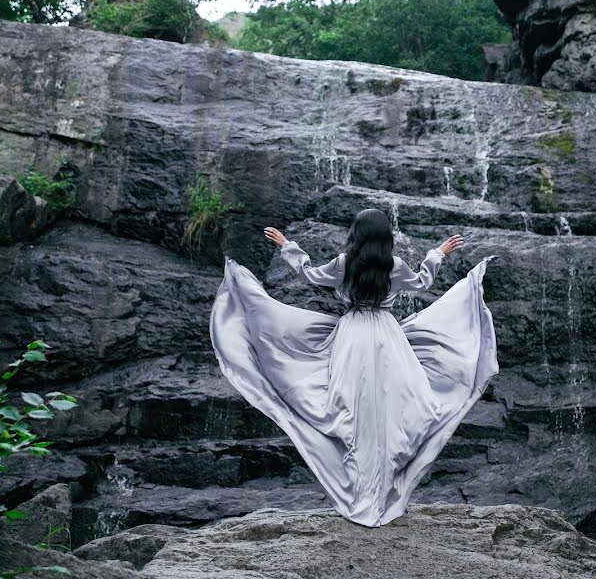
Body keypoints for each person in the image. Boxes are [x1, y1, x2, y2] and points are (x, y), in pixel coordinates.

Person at [209, 208, 499, 527]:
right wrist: (437, 253)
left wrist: (287, 246)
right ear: (386, 237)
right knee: (390, 413)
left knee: (351, 410)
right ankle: (383, 492)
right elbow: (422, 282)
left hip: (352, 336)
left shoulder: (344, 263)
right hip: (388, 338)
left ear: (356, 235)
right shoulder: (395, 266)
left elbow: (310, 275)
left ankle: (359, 491)